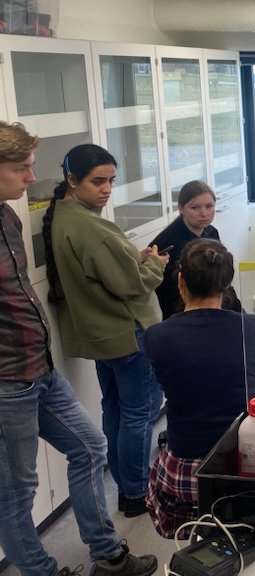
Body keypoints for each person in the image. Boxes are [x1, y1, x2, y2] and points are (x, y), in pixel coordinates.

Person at [0, 121, 158, 576]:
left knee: (91, 448)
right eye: (21, 169)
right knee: (17, 492)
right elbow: (128, 283)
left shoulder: (9, 216)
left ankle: (107, 557)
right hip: (8, 382)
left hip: (40, 368)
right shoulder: (83, 226)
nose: (32, 179)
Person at [43, 144, 166, 519]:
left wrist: (132, 258)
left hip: (103, 337)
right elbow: (130, 285)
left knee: (115, 408)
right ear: (71, 180)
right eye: (98, 181)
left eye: (111, 180)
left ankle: (126, 482)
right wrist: (156, 265)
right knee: (139, 413)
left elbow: (104, 271)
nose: (106, 189)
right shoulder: (90, 225)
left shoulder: (65, 217)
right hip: (127, 334)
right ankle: (135, 491)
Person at [144, 239, 255, 538]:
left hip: (186, 469)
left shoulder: (157, 336)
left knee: (199, 542)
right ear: (227, 284)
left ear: (180, 281)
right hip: (245, 461)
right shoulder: (252, 327)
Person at [152, 180, 219, 319]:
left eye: (209, 206)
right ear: (181, 209)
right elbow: (166, 291)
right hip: (179, 311)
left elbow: (219, 274)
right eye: (195, 208)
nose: (204, 213)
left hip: (209, 302)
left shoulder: (212, 233)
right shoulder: (168, 242)